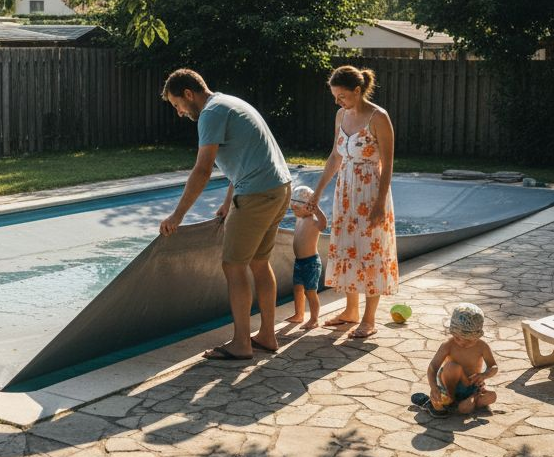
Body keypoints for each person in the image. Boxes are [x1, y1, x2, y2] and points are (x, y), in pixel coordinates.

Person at [159, 69, 292, 361]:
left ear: (189, 94)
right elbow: (247, 154)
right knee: (259, 262)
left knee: (234, 266)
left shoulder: (210, 114)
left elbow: (203, 169)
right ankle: (267, 336)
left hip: (257, 195)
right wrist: (229, 199)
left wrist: (177, 216)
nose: (179, 112)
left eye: (176, 104)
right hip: (279, 188)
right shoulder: (229, 103)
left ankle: (241, 343)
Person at [304, 65, 398, 339]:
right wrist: (319, 190)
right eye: (335, 96)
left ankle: (369, 318)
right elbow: (336, 155)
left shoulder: (378, 117)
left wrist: (380, 203)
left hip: (370, 191)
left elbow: (388, 164)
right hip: (345, 191)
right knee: (348, 248)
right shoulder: (341, 115)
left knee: (371, 250)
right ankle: (351, 311)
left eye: (342, 95)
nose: (337, 101)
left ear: (357, 91)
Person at [415, 303, 499, 417]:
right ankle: (447, 399)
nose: (462, 343)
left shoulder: (482, 346)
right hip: (450, 386)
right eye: (458, 338)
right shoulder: (448, 345)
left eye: (469, 340)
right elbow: (433, 367)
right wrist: (434, 387)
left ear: (478, 335)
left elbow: (493, 366)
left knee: (492, 396)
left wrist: (485, 375)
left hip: (471, 386)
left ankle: (469, 401)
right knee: (453, 367)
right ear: (452, 332)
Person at [286, 185, 327, 329]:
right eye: (293, 208)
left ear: (308, 207)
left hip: (311, 263)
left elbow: (323, 225)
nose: (294, 211)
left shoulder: (313, 220)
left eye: (296, 208)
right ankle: (299, 315)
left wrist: (318, 210)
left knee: (310, 292)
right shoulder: (300, 218)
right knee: (297, 289)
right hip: (299, 262)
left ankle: (314, 319)